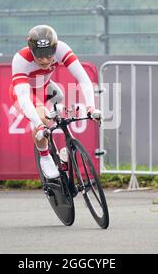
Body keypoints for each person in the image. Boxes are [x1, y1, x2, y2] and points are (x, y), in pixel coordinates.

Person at [10, 25, 101, 179]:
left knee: (61, 110)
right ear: (31, 51)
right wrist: (39, 125)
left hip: (45, 87)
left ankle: (63, 153)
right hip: (24, 93)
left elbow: (83, 79)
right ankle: (45, 156)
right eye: (39, 56)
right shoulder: (21, 59)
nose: (45, 60)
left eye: (49, 55)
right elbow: (25, 97)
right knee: (43, 119)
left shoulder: (61, 49)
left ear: (55, 48)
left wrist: (91, 107)